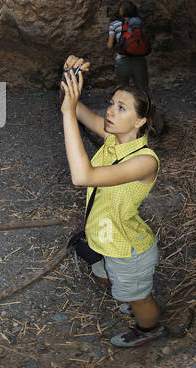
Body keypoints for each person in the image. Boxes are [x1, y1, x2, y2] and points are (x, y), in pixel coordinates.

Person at [59, 54, 165, 347]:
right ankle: (128, 295)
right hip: (107, 239)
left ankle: (149, 327)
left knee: (138, 296)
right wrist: (69, 80)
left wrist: (68, 114)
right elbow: (74, 107)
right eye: (111, 103)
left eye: (122, 107)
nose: (110, 111)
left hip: (129, 249)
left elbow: (83, 176)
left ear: (141, 120)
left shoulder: (145, 162)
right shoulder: (111, 137)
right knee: (104, 275)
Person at [107, 1, 149, 89]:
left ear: (122, 11)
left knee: (123, 88)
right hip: (140, 60)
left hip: (122, 59)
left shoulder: (114, 24)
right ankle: (146, 102)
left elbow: (109, 45)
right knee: (143, 89)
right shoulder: (140, 24)